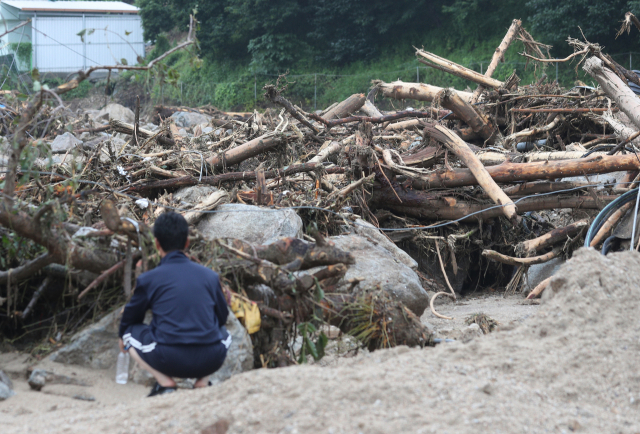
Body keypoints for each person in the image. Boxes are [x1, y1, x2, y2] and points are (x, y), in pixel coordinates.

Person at [118, 212, 231, 397]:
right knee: (225, 335)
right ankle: (202, 382)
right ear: (187, 243)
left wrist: (122, 335)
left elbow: (131, 317)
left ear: (157, 244)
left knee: (128, 333)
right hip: (210, 359)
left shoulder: (149, 279)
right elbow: (222, 317)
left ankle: (165, 383)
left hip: (168, 359)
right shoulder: (209, 276)